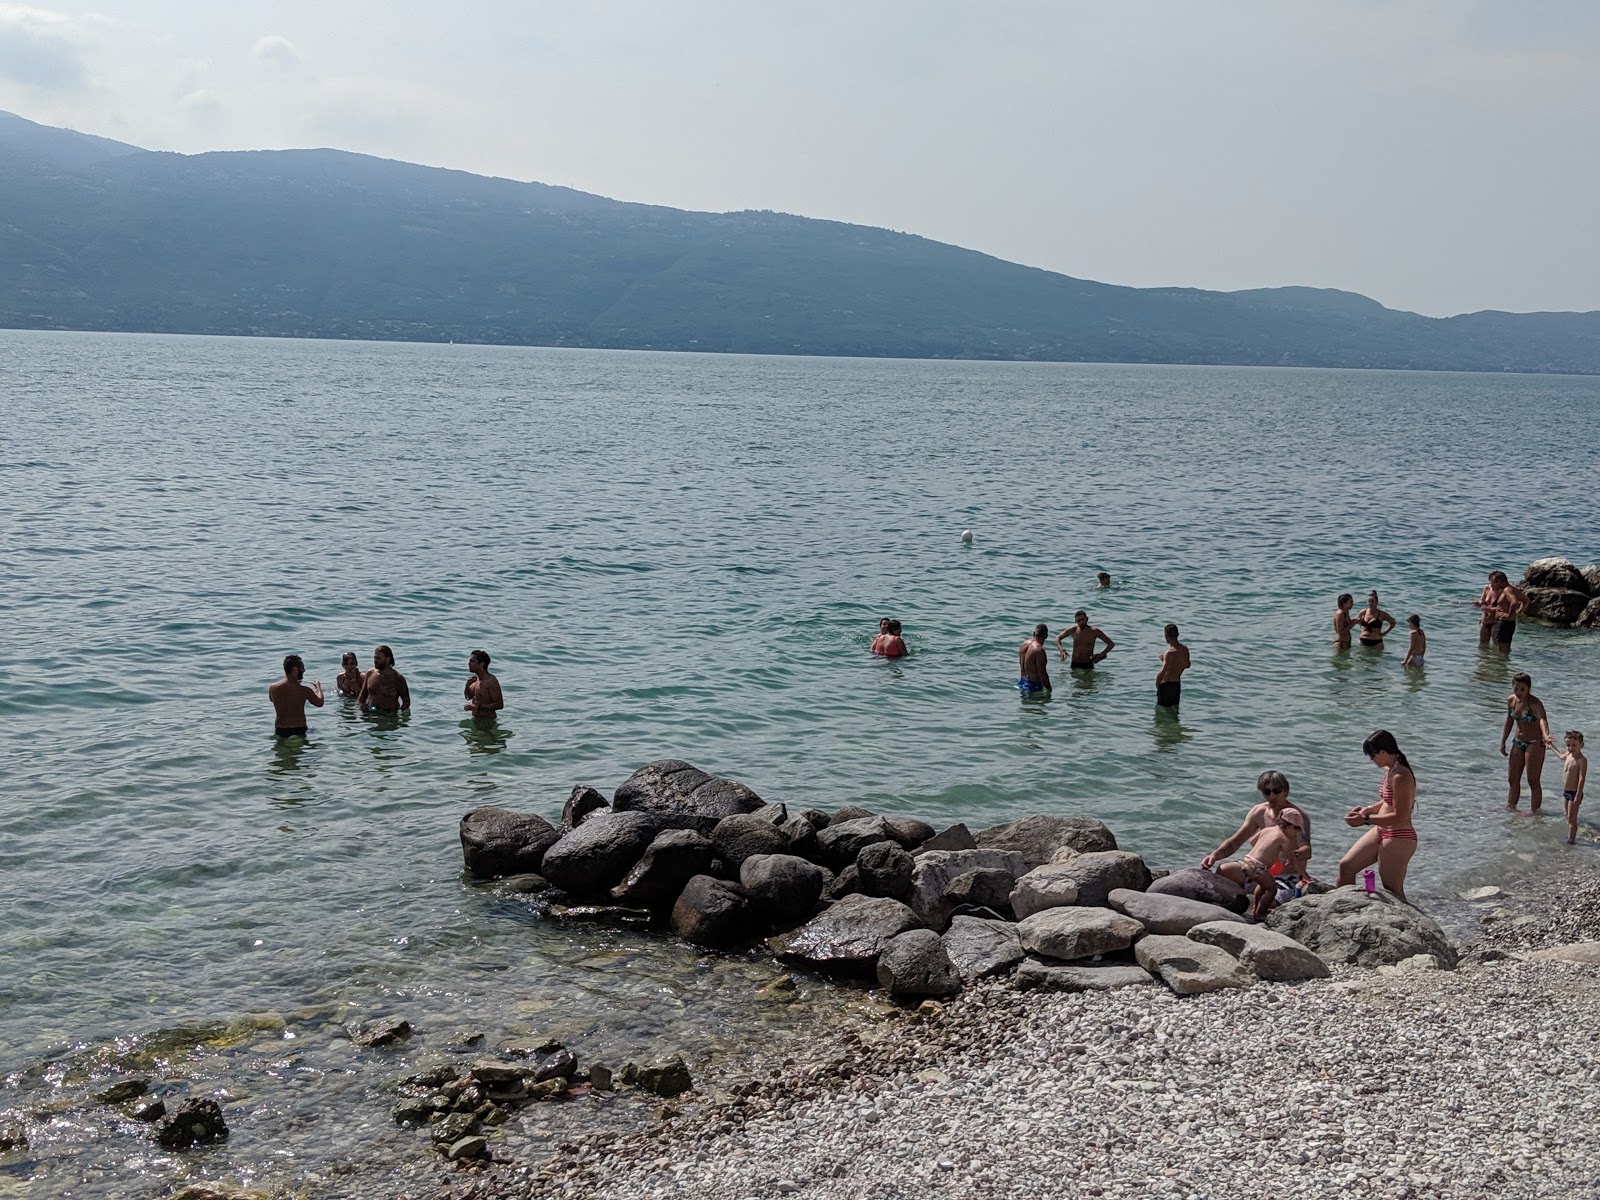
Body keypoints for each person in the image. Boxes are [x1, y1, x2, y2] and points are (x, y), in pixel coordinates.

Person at [1337, 729, 1417, 903]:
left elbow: (1400, 816)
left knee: (1392, 891)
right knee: (1346, 866)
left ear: (1382, 752)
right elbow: (1388, 801)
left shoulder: (1401, 775)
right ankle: (1344, 909)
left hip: (1399, 836)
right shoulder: (1390, 770)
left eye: (1372, 755)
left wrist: (1365, 820)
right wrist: (1368, 810)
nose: (1371, 760)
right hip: (1381, 830)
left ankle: (1407, 926)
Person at [1201, 770, 1314, 880]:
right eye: (1267, 792)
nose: (1272, 796)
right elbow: (1236, 841)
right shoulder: (1259, 812)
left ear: (1286, 791)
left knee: (1267, 891)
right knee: (1224, 870)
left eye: (1276, 791)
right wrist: (1214, 856)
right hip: (1259, 869)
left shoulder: (1297, 816)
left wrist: (1295, 854)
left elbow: (1307, 850)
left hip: (1285, 874)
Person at [1501, 672, 1557, 811]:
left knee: (1533, 781)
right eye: (1516, 688)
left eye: (1522, 689)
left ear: (1529, 689)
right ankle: (1511, 807)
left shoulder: (1534, 703)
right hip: (1518, 742)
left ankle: (1535, 813)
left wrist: (1546, 736)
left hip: (1534, 743)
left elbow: (1542, 719)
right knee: (1512, 779)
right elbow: (1509, 721)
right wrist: (1503, 741)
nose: (1519, 692)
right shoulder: (1511, 701)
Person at [268, 654, 324, 739]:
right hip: (299, 730)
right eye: (302, 668)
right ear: (295, 670)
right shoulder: (304, 690)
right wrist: (318, 687)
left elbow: (272, 700)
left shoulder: (273, 688)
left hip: (280, 730)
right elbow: (320, 703)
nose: (304, 670)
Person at [1474, 570, 1525, 654]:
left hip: (1495, 621)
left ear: (1499, 582)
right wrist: (1479, 603)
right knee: (1483, 645)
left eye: (1493, 582)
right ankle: (1485, 663)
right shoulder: (1487, 588)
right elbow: (1482, 600)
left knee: (1498, 645)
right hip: (1485, 620)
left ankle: (1499, 664)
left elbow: (1504, 606)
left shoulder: (1504, 591)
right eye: (1490, 581)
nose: (1492, 584)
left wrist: (1513, 614)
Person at [357, 644, 411, 712]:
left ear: (387, 659)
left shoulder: (397, 678)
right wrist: (357, 710)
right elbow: (362, 696)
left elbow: (406, 701)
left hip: (389, 715)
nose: (375, 660)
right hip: (371, 712)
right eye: (375, 657)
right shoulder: (370, 673)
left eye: (378, 658)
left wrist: (401, 716)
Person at [1557, 731, 1588, 845]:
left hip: (1575, 792)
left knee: (1571, 817)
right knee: (1567, 815)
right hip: (1566, 791)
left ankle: (1571, 840)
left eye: (1574, 745)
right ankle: (1570, 835)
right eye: (1568, 745)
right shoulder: (1568, 755)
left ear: (1581, 745)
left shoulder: (1582, 760)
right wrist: (1551, 747)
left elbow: (1581, 779)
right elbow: (1560, 756)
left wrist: (1579, 794)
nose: (1570, 748)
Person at [463, 650, 504, 721]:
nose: (468, 664)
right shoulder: (475, 680)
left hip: (487, 721)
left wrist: (477, 707)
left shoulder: (491, 681)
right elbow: (468, 697)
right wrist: (467, 686)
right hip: (475, 719)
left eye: (472, 661)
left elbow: (499, 705)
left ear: (481, 664)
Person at [1155, 623, 1189, 709]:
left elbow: (1163, 671)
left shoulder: (1169, 653)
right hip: (1176, 685)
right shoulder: (1185, 649)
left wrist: (1157, 683)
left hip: (1166, 686)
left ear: (1167, 635)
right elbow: (1187, 665)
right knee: (1174, 712)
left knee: (1163, 714)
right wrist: (1169, 661)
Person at [1017, 624, 1052, 693]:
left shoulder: (1024, 644)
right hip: (1033, 686)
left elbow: (1021, 663)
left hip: (1022, 681)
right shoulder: (1039, 650)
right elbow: (1042, 672)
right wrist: (1049, 689)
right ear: (1046, 636)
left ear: (1033, 633)